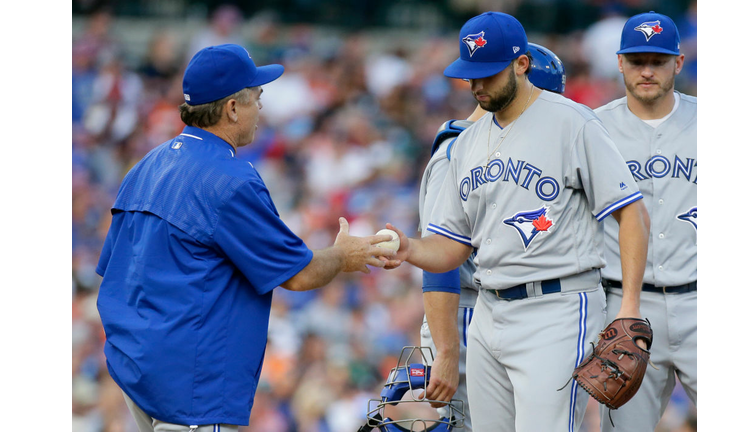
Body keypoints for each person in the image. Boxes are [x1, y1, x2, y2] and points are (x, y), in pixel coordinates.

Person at [95, 44, 394, 432]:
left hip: (136, 375)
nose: (261, 109)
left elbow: (112, 271)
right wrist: (343, 255)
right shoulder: (229, 180)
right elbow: (299, 275)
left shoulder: (147, 165)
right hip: (191, 394)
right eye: (257, 98)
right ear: (232, 108)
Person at [382, 12, 650, 431]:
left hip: (557, 307)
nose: (477, 86)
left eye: (488, 74)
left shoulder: (573, 122)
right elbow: (452, 247)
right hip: (489, 311)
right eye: (471, 75)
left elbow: (630, 211)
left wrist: (629, 306)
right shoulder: (465, 143)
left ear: (521, 64)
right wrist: (410, 249)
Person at [417, 42, 567, 432]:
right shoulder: (456, 152)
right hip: (463, 316)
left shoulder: (502, 148)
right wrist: (447, 350)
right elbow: (440, 262)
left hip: (495, 313)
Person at [594, 11, 696, 431]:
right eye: (637, 60)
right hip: (624, 306)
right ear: (620, 62)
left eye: (658, 60)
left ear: (679, 62)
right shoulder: (593, 127)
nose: (647, 70)